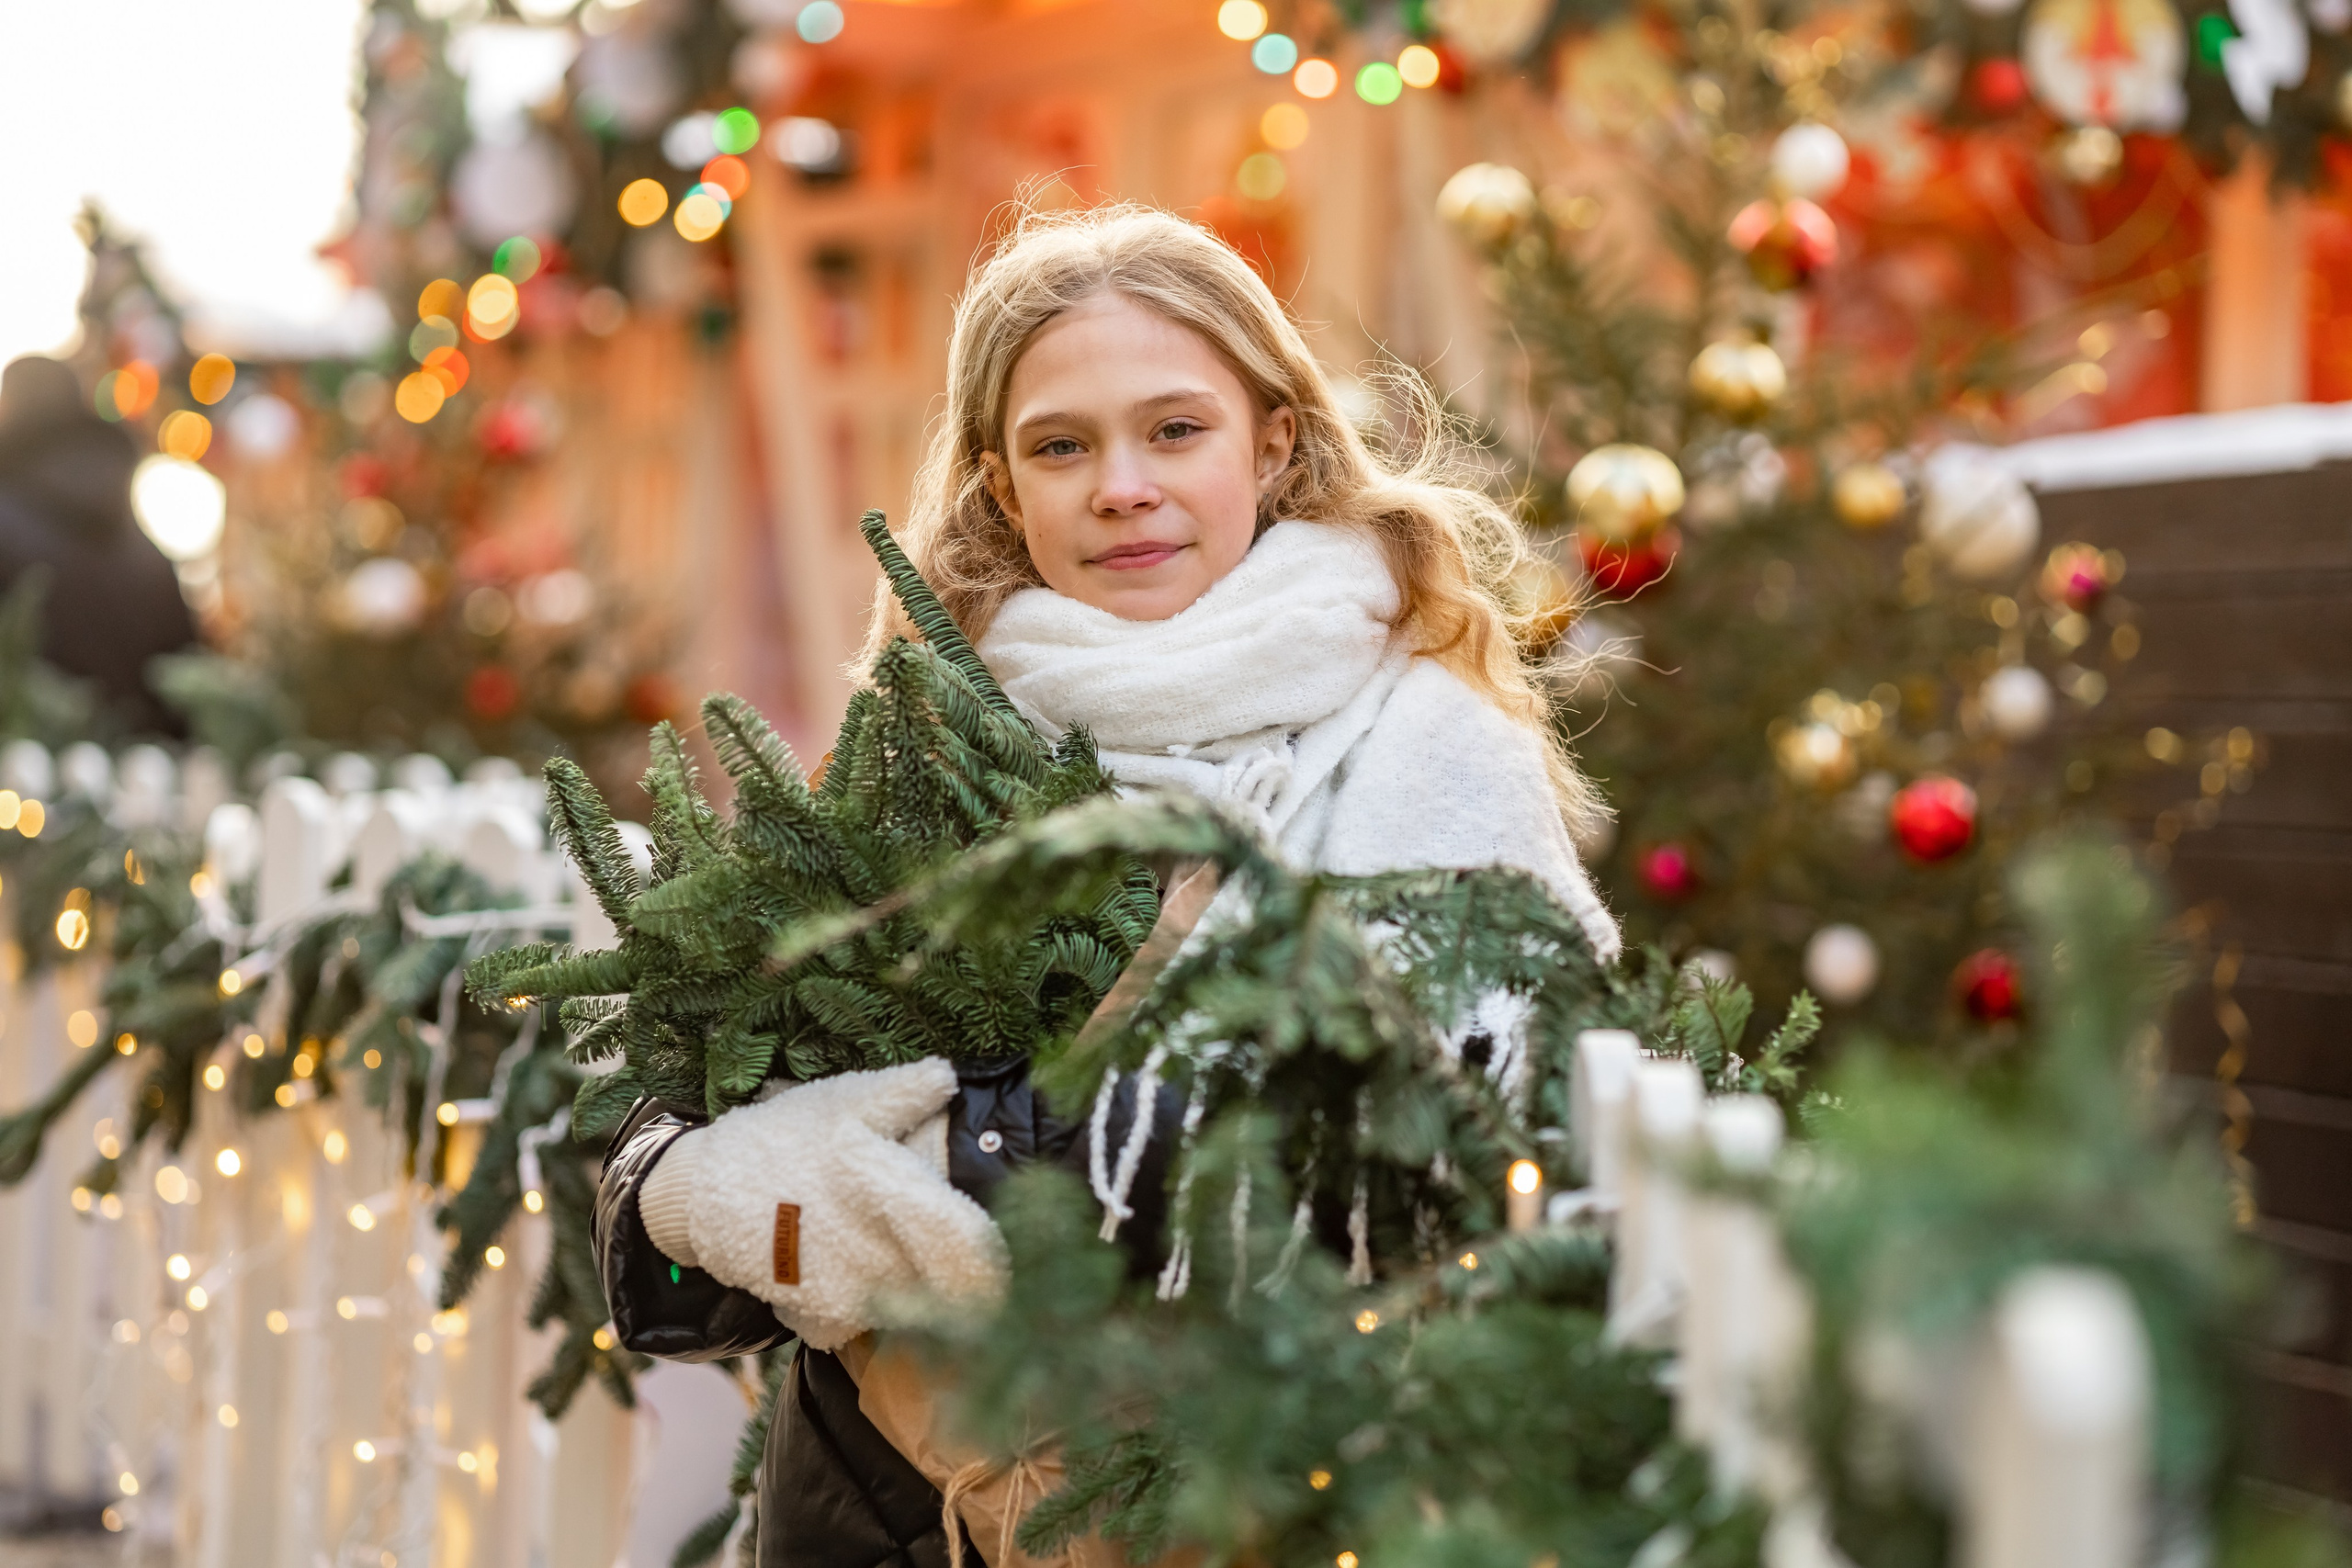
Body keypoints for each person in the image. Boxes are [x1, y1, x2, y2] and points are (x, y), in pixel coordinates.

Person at [591, 204, 1621, 1568]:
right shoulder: (931, 749)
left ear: (1277, 442)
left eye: (1175, 429)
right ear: (1006, 489)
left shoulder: (1426, 751)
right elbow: (674, 1226)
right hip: (896, 1515)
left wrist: (945, 1159)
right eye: (1061, 446)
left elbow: (1444, 1157)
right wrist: (687, 1190)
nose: (1121, 484)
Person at [0, 355, 198, 734]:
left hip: (23, 775)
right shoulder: (139, 540)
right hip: (147, 776)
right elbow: (186, 677)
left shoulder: (6, 517)